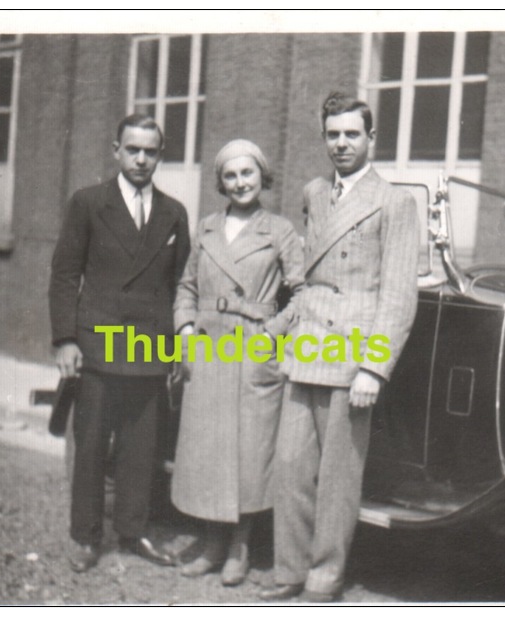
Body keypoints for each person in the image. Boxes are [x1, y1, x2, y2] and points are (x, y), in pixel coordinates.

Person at [258, 92, 419, 602]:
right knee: (289, 468)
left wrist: (374, 368)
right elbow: (309, 279)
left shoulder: (395, 202)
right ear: (323, 137)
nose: (342, 143)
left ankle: (323, 580)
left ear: (372, 139)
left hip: (351, 355)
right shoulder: (313, 193)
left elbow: (397, 294)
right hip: (307, 346)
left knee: (337, 480)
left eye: (352, 134)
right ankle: (289, 570)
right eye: (333, 134)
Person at [48, 113, 191, 573]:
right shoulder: (88, 203)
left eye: (151, 151)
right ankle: (87, 537)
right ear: (117, 151)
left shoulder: (174, 212)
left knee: (141, 448)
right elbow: (66, 274)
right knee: (91, 445)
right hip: (97, 346)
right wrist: (66, 340)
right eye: (133, 149)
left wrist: (173, 349)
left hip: (149, 349)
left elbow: (180, 285)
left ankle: (133, 531)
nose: (142, 159)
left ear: (160, 155)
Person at [171, 139, 304, 587]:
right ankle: (211, 545)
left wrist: (272, 332)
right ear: (221, 182)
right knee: (208, 451)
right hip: (208, 350)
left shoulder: (279, 230)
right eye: (230, 175)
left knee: (249, 453)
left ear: (262, 177)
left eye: (248, 173)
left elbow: (304, 294)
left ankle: (240, 549)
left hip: (252, 351)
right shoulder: (207, 228)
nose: (240, 182)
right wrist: (186, 328)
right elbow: (187, 286)